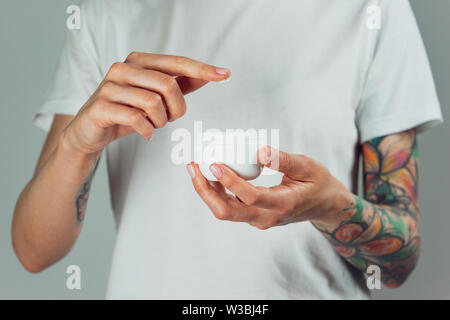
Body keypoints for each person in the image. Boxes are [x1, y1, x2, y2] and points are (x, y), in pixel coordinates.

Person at [12, 0, 443, 299]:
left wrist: (330, 207)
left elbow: (399, 264)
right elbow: (33, 252)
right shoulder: (107, 15)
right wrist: (77, 145)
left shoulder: (370, 10)